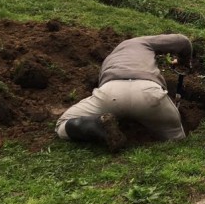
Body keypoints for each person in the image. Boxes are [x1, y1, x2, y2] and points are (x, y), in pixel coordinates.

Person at [56, 34, 193, 151]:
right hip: (149, 94)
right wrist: (183, 62)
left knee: (62, 124)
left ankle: (95, 124)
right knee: (178, 141)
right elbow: (183, 41)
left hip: (111, 93)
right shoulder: (139, 42)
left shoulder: (109, 60)